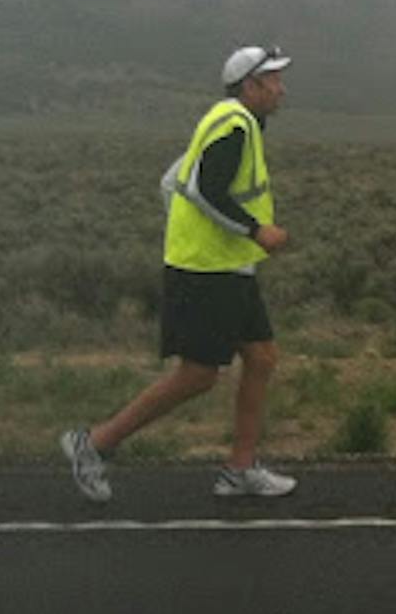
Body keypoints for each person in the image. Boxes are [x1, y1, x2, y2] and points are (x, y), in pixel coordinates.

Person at [61, 44, 299, 502]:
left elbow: (173, 179)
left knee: (263, 358)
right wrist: (256, 230)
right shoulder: (232, 125)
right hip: (206, 269)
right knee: (198, 375)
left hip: (227, 266)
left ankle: (239, 469)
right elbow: (204, 189)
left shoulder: (231, 121)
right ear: (251, 86)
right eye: (274, 81)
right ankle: (93, 444)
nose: (281, 89)